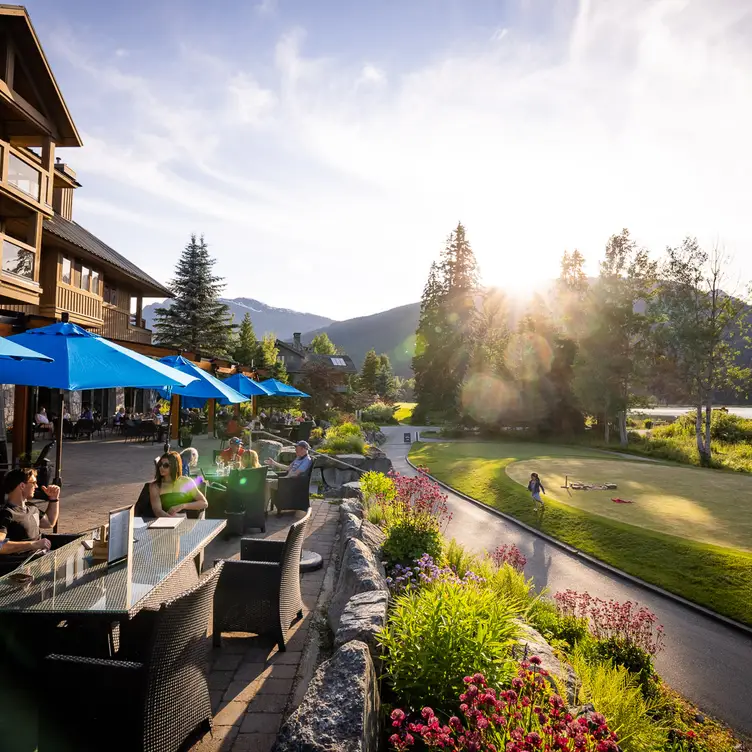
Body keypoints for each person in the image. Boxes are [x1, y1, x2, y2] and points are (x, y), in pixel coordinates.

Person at [0, 468, 61, 556]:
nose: (36, 486)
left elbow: (49, 523)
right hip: (17, 567)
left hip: (36, 564)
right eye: (33, 483)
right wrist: (33, 544)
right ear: (22, 486)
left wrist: (54, 499)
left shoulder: (32, 507)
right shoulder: (6, 513)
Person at [149, 451, 207, 518]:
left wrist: (182, 506)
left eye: (165, 465)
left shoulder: (186, 481)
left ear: (174, 466)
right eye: (160, 465)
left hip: (185, 521)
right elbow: (157, 511)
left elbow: (204, 503)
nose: (161, 467)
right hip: (164, 521)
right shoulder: (155, 486)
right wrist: (172, 520)